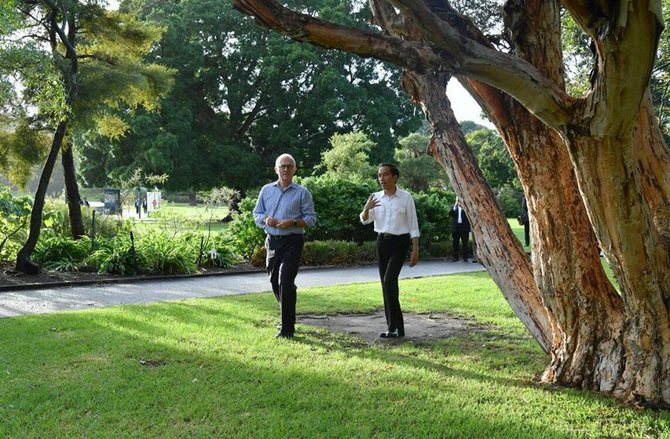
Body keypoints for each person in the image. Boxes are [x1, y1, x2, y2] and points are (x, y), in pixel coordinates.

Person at [253, 153, 316, 338]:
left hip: (293, 241)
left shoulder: (302, 193)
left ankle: (287, 328)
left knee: (286, 282)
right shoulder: (266, 190)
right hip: (272, 241)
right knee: (274, 282)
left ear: (295, 170)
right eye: (283, 166)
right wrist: (265, 219)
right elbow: (256, 213)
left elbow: (311, 219)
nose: (286, 169)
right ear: (276, 169)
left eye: (289, 166)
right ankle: (288, 311)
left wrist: (293, 223)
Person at [360, 163, 419, 339]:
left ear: (395, 177)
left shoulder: (406, 197)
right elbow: (364, 220)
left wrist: (415, 249)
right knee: (386, 285)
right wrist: (366, 208)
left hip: (400, 243)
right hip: (382, 243)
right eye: (379, 175)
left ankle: (396, 326)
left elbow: (413, 225)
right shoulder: (375, 198)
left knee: (389, 281)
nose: (381, 179)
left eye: (385, 175)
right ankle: (393, 328)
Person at [449, 196, 471, 261]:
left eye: (460, 201)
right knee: (455, 243)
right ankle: (455, 257)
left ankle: (465, 257)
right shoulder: (454, 208)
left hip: (464, 228)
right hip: (456, 228)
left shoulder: (467, 208)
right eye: (458, 201)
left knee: (465, 243)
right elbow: (450, 214)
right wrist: (455, 206)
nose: (459, 202)